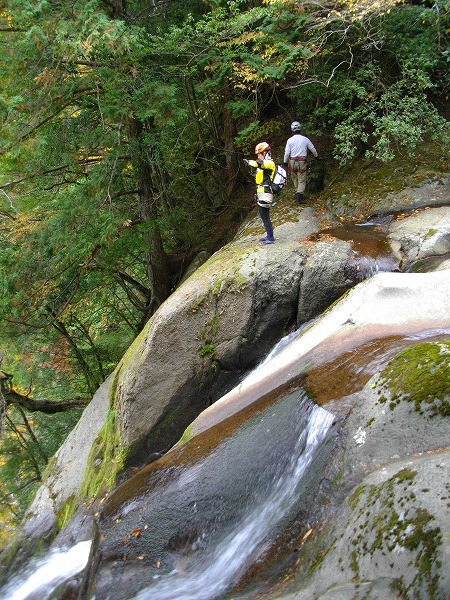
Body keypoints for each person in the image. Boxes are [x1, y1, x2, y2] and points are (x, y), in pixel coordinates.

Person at [244, 142, 276, 245]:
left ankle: (270, 238)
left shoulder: (269, 163)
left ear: (265, 153)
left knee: (265, 215)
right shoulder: (264, 164)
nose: (258, 156)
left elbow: (260, 164)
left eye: (259, 154)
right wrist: (249, 162)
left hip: (266, 192)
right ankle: (268, 235)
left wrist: (249, 162)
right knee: (263, 215)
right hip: (262, 192)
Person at [283, 121, 319, 205]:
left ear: (292, 130)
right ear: (300, 129)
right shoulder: (305, 139)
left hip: (292, 161)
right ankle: (299, 195)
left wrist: (285, 162)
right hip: (302, 161)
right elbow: (313, 149)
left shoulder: (289, 140)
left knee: (294, 177)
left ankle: (297, 192)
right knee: (302, 179)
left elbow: (287, 153)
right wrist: (317, 157)